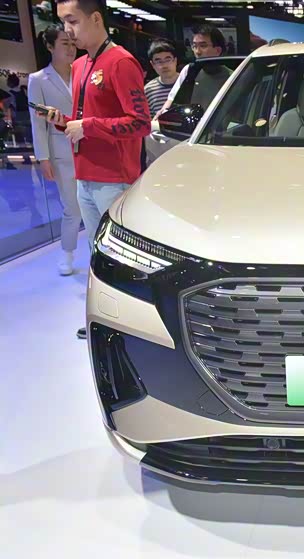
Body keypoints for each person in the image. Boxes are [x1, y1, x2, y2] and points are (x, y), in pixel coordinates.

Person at [41, 0, 151, 339]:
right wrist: (63, 122)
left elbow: (140, 123)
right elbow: (85, 119)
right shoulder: (81, 65)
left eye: (72, 20)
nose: (67, 30)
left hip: (113, 179)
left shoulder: (120, 62)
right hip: (85, 175)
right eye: (63, 22)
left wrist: (88, 126)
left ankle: (132, 327)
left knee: (122, 257)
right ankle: (105, 320)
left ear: (96, 18)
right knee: (98, 253)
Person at [27, 24, 80, 276]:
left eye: (73, 43)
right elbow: (37, 123)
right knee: (72, 207)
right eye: (64, 43)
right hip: (61, 152)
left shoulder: (83, 72)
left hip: (91, 148)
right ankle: (67, 253)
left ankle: (98, 253)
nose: (71, 49)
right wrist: (43, 158)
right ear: (50, 46)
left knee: (95, 204)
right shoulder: (38, 80)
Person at [158, 24, 225, 117]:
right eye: (194, 46)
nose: (197, 51)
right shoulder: (189, 70)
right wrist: (162, 114)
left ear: (218, 50)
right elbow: (172, 99)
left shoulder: (232, 76)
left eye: (203, 46)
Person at [144, 39, 179, 117]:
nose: (164, 65)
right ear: (152, 64)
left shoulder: (189, 82)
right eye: (159, 61)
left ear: (175, 61)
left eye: (168, 60)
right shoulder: (148, 90)